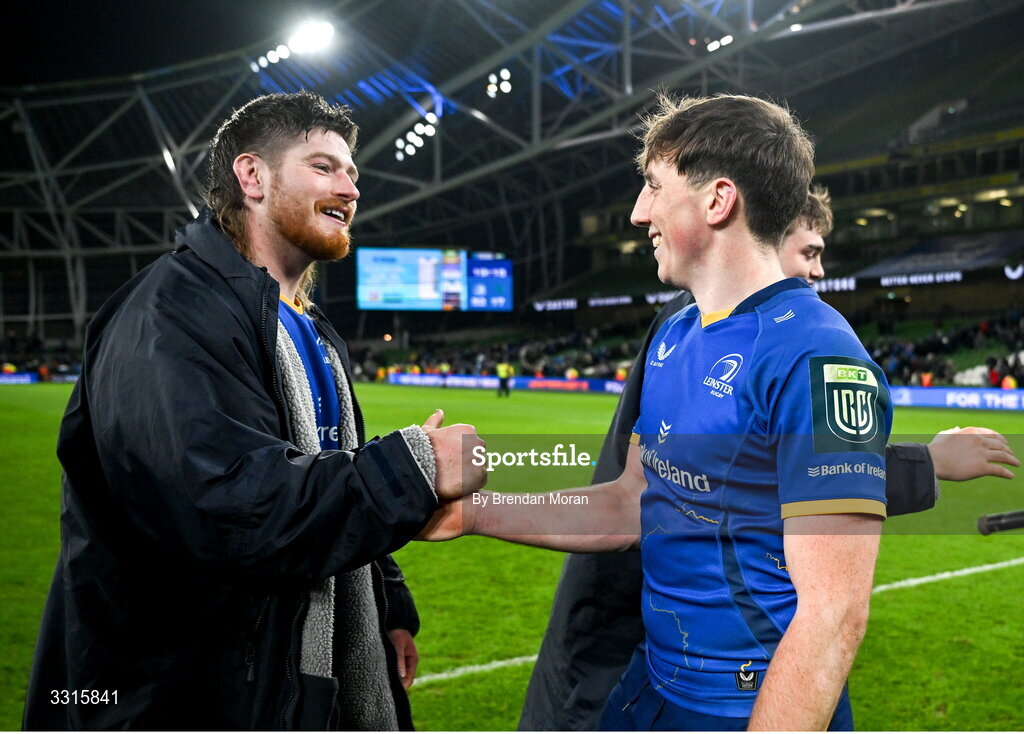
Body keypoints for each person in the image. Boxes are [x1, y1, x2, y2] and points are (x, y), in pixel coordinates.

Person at [424, 93, 950, 730]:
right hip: (650, 689)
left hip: (744, 708)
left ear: (718, 200)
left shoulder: (816, 356)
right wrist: (470, 512)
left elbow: (834, 615)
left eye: (653, 185)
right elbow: (630, 503)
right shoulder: (675, 337)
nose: (640, 211)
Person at [23, 91, 487, 730]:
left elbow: (327, 466)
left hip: (290, 678)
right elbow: (234, 506)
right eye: (324, 167)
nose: (350, 188)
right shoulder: (167, 315)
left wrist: (385, 608)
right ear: (252, 177)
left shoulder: (311, 328)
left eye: (353, 172)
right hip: (186, 694)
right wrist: (414, 466)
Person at [519, 188, 1021, 730]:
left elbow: (750, 472)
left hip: (659, 641)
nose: (819, 271)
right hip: (661, 645)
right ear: (767, 238)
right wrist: (928, 461)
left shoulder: (729, 327)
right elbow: (741, 482)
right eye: (809, 252)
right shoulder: (693, 326)